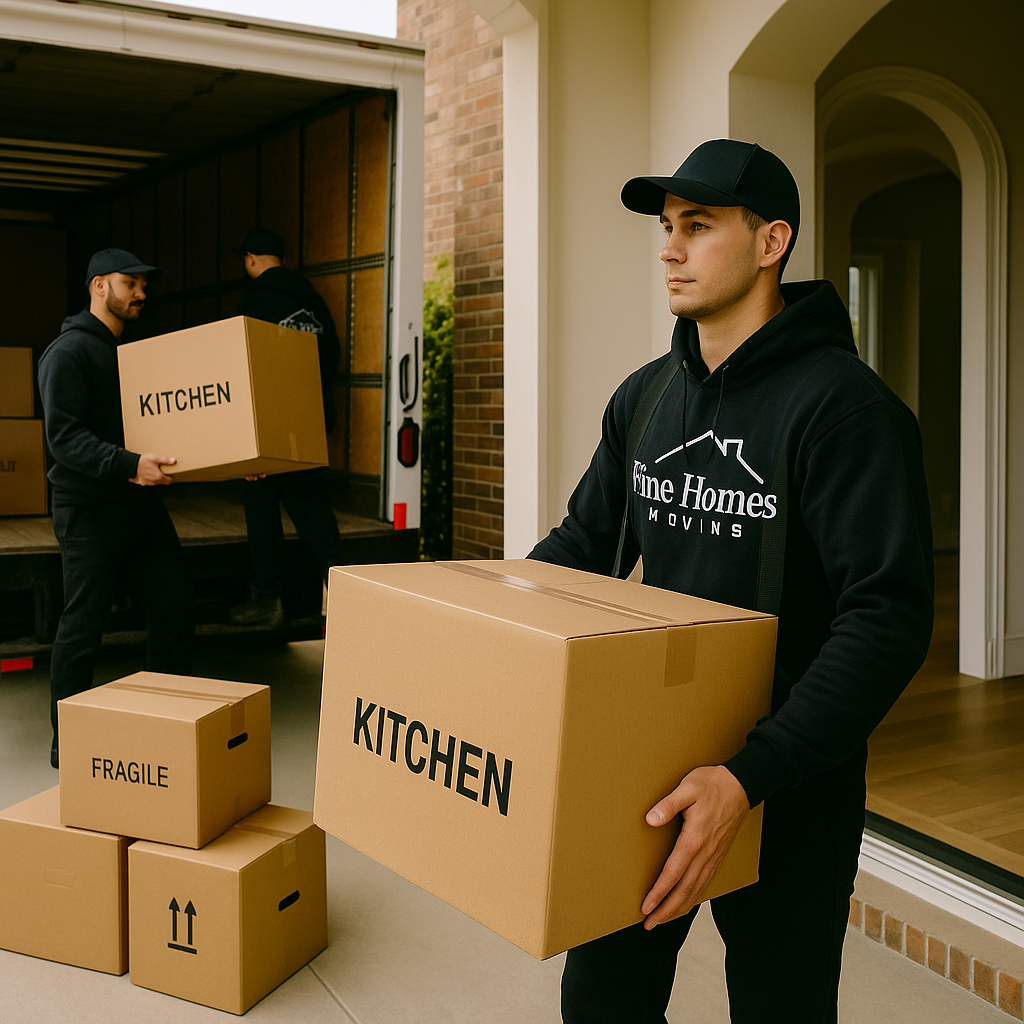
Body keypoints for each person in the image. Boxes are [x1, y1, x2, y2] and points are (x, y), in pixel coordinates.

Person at [528, 140, 934, 1023]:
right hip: (644, 772)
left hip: (788, 787)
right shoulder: (644, 397)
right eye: (667, 227)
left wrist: (752, 774)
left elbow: (885, 620)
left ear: (770, 242)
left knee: (779, 1008)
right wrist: (484, 616)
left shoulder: (849, 412)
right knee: (602, 1003)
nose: (669, 249)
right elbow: (582, 546)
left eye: (699, 226)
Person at [38, 248, 194, 770]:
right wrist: (128, 464)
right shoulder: (68, 353)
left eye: (144, 286)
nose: (142, 294)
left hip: (140, 505)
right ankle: (67, 743)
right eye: (131, 284)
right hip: (90, 509)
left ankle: (167, 722)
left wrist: (232, 459)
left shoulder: (132, 355)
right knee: (84, 624)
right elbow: (64, 439)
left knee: (174, 606)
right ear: (99, 285)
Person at [228, 227, 345, 628]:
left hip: (268, 425)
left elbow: (241, 365)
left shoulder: (254, 301)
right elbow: (332, 358)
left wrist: (246, 436)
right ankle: (349, 598)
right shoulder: (313, 301)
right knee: (314, 512)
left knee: (261, 510)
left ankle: (268, 600)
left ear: (250, 260)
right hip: (308, 423)